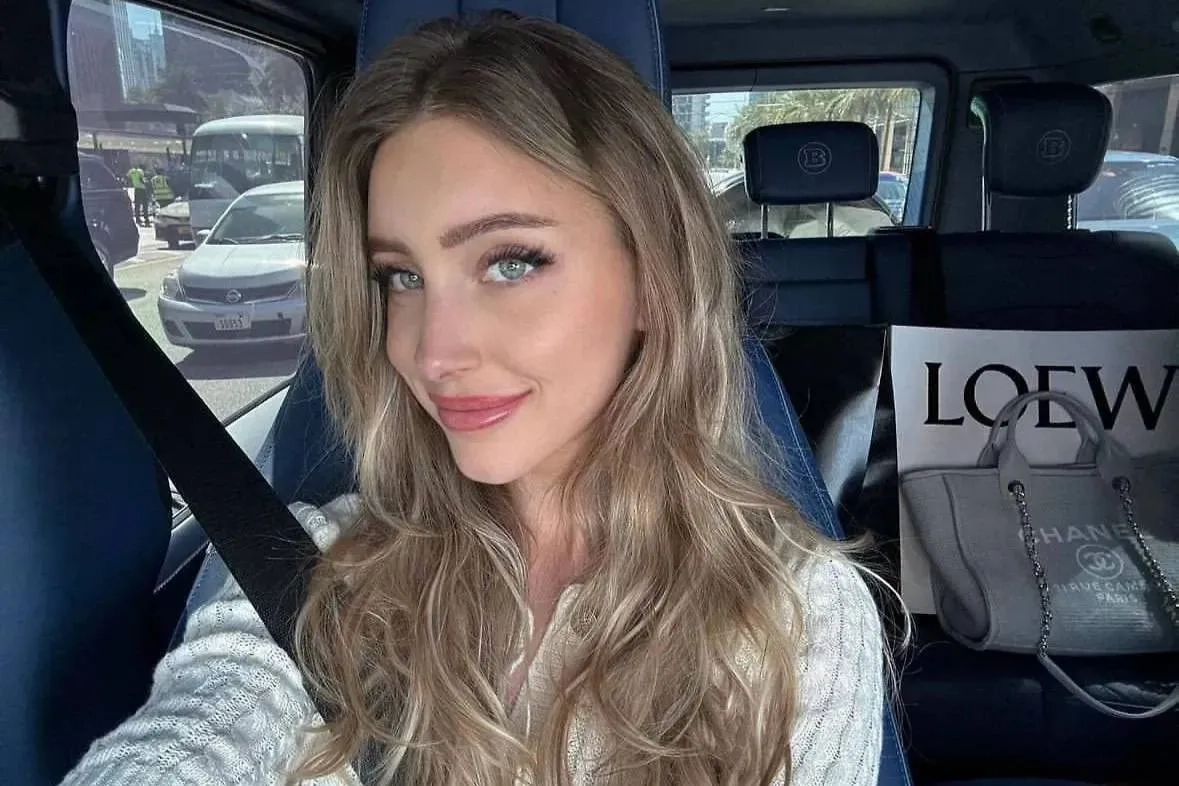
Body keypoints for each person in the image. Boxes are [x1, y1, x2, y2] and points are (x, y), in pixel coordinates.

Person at [60, 13, 888, 786]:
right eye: (401, 277)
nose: (433, 352)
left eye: (511, 262)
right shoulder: (313, 570)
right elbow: (204, 727)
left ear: (653, 279)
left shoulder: (793, 612)